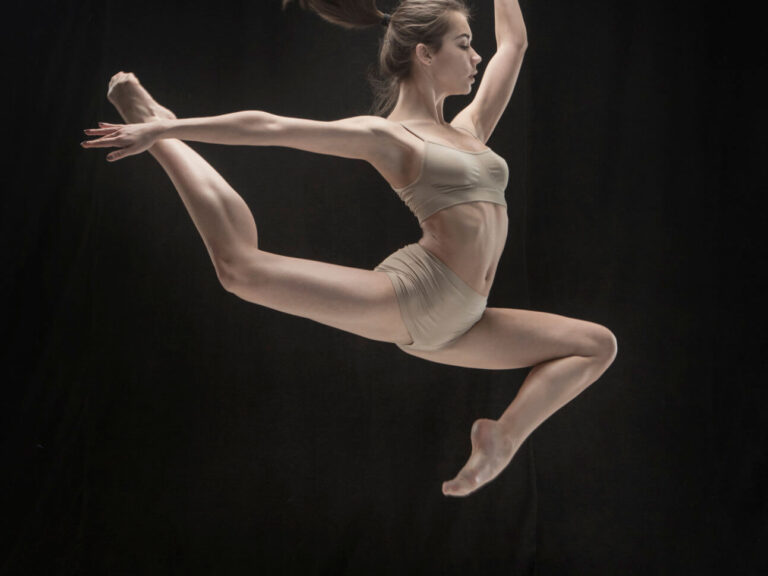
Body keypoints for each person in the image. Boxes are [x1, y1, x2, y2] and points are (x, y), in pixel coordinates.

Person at [81, 0, 617, 497]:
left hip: (464, 323)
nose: (477, 56)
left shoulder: (470, 128)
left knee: (595, 345)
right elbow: (271, 127)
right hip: (418, 295)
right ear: (425, 54)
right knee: (240, 268)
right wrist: (166, 130)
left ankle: (501, 437)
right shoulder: (389, 137)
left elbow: (515, 44)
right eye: (464, 43)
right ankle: (158, 124)